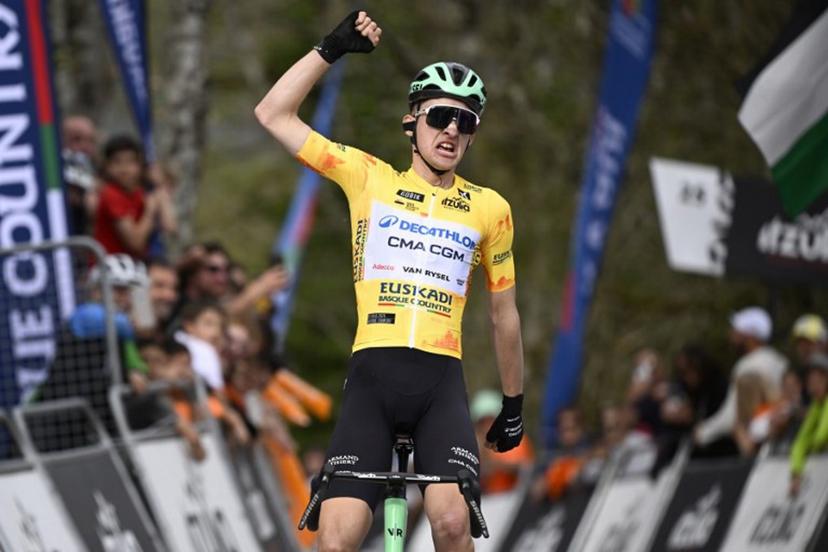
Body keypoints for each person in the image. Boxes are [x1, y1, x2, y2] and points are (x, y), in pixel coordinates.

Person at [255, 11, 524, 551]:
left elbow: (504, 314)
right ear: (412, 123)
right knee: (335, 542)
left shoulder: (489, 208)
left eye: (466, 122)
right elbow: (272, 114)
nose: (452, 129)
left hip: (440, 382)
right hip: (373, 377)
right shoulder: (367, 178)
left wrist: (514, 403)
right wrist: (330, 48)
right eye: (441, 115)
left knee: (450, 525)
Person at [694, 307, 787, 455]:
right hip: (777, 437)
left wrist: (703, 432)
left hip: (754, 440)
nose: (731, 335)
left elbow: (731, 414)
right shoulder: (780, 361)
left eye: (736, 330)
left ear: (749, 334)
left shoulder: (746, 365)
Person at [93, 135, 159, 259]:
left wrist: (159, 187)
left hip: (135, 264)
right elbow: (135, 243)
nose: (124, 169)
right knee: (166, 278)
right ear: (106, 167)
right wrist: (150, 212)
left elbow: (171, 227)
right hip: (112, 268)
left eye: (130, 162)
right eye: (117, 162)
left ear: (141, 167)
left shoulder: (139, 193)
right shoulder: (110, 194)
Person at [789, 354, 828, 497]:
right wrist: (796, 474)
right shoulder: (817, 406)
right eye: (809, 380)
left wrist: (809, 447)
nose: (810, 385)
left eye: (815, 379)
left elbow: (822, 437)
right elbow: (799, 443)